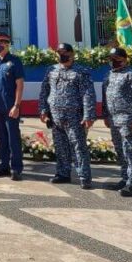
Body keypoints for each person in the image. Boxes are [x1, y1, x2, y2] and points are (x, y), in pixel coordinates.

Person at [39, 43, 96, 189]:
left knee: (78, 147)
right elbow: (44, 91)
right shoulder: (51, 70)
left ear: (72, 54)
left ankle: (84, 177)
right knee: (60, 146)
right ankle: (63, 173)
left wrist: (89, 115)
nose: (61, 55)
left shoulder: (81, 72)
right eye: (58, 52)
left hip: (74, 116)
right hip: (55, 116)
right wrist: (43, 110)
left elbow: (88, 94)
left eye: (64, 52)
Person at [102, 47, 132, 196]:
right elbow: (105, 96)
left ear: (125, 59)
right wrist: (105, 115)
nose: (113, 61)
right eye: (111, 58)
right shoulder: (109, 76)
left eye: (116, 59)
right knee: (120, 150)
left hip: (128, 119)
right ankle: (125, 178)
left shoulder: (131, 76)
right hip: (113, 119)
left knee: (131, 151)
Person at [0, 32, 25, 180]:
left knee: (13, 138)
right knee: (1, 137)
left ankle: (16, 168)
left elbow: (19, 85)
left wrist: (17, 105)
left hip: (10, 108)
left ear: (7, 44)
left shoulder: (15, 62)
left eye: (0, 43)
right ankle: (4, 166)